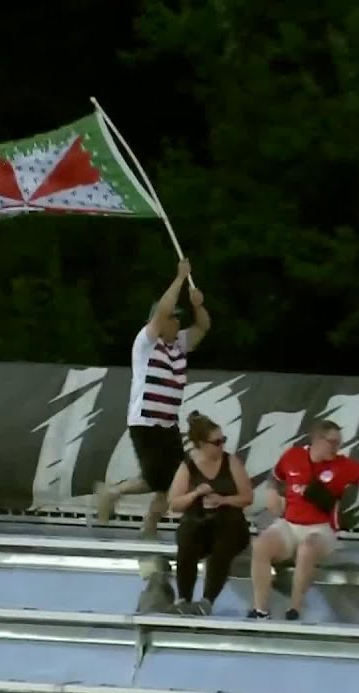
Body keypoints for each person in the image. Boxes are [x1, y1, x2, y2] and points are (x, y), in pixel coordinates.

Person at [248, 419, 359, 620]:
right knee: (261, 546)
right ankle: (260, 609)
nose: (337, 447)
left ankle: (295, 607)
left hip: (320, 529)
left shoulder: (342, 466)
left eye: (339, 443)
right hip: (290, 524)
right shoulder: (293, 456)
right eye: (332, 442)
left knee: (307, 549)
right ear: (317, 439)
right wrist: (272, 492)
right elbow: (276, 476)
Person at [97, 258, 210, 538]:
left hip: (167, 422)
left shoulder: (178, 344)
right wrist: (180, 279)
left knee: (171, 481)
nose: (177, 322)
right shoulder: (146, 342)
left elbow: (204, 327)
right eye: (174, 318)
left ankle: (146, 523)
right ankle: (115, 494)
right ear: (159, 322)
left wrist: (198, 306)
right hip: (145, 420)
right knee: (156, 479)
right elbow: (162, 310)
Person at [166, 412, 253, 615]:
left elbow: (247, 497)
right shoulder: (188, 466)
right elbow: (174, 504)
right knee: (187, 545)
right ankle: (184, 599)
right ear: (201, 444)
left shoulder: (230, 462)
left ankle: (207, 601)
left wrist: (223, 500)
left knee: (222, 549)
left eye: (223, 440)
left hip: (230, 522)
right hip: (200, 523)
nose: (222, 445)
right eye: (217, 442)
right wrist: (195, 493)